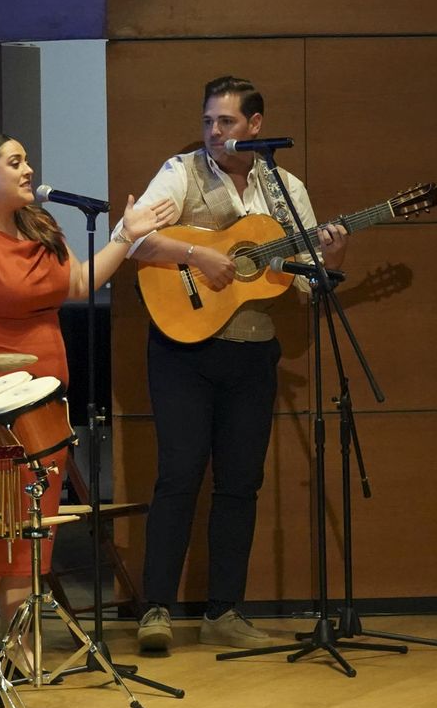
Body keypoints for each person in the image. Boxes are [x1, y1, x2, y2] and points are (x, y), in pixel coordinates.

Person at [0, 134, 176, 656]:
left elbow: (80, 284)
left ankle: (19, 652)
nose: (28, 169)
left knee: (30, 526)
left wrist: (126, 236)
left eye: (27, 160)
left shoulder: (40, 226)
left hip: (44, 401)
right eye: (14, 162)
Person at [122, 76, 348, 652]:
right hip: (182, 350)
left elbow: (303, 283)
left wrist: (326, 255)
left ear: (256, 126)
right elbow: (134, 239)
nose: (214, 133)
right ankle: (156, 610)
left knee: (241, 483)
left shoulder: (285, 188)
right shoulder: (180, 172)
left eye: (225, 122)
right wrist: (197, 253)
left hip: (252, 353)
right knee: (178, 476)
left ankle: (224, 610)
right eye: (207, 122)